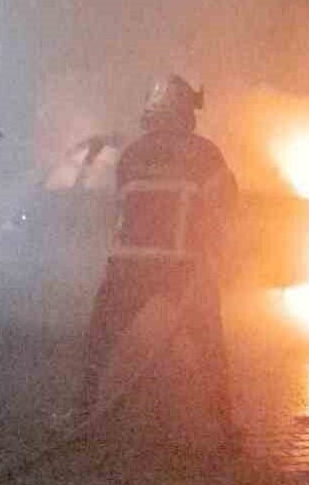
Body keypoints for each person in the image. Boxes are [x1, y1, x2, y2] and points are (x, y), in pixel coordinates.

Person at [79, 74, 240, 450]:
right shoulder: (204, 153)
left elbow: (117, 205)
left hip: (129, 264)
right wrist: (217, 249)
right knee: (210, 345)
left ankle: (82, 409)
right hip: (183, 266)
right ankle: (224, 423)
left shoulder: (133, 153)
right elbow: (227, 202)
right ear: (186, 113)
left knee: (100, 338)